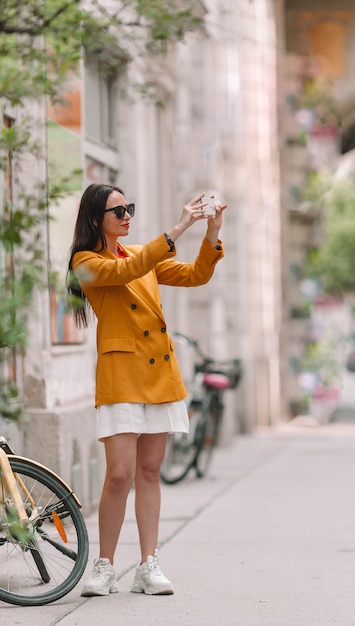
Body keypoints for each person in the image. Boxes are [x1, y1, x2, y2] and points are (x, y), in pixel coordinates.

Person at [67, 183, 226, 597]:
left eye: (129, 208)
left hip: (160, 375)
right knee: (119, 474)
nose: (126, 216)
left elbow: (194, 276)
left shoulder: (142, 254)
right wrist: (177, 228)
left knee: (150, 472)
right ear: (94, 219)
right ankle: (105, 565)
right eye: (117, 211)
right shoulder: (84, 262)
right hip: (121, 376)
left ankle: (148, 564)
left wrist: (211, 233)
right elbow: (122, 273)